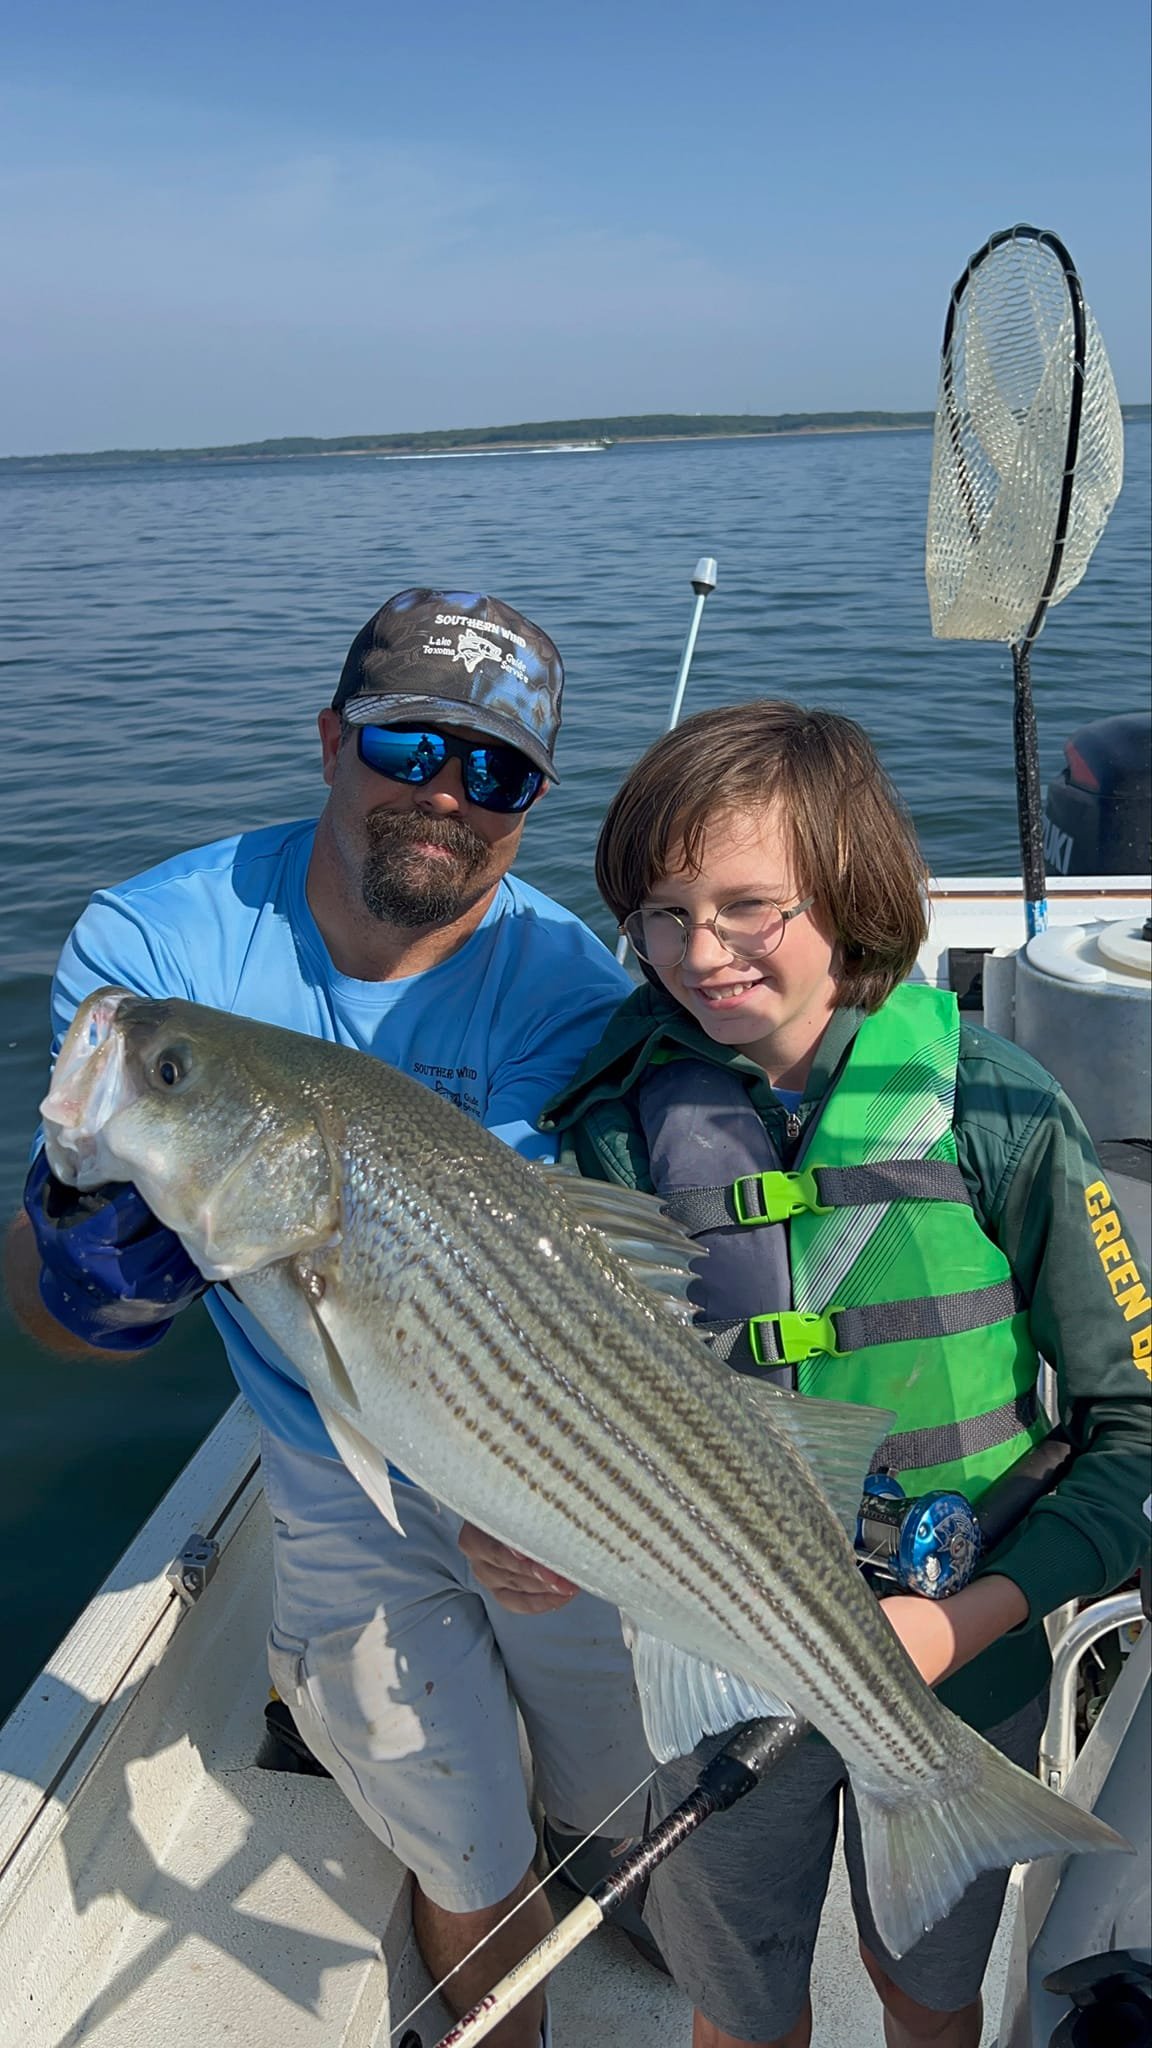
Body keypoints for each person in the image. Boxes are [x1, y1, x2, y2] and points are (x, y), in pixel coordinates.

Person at [5, 588, 656, 2048]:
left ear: (532, 802)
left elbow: (550, 1298)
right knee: (469, 1852)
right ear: (328, 739)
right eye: (408, 745)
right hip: (329, 1461)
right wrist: (83, 1267)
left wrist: (537, 1492)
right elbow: (55, 1326)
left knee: (632, 1815)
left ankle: (604, 1844)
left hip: (539, 1446)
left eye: (493, 771)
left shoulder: (568, 989)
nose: (444, 795)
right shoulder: (154, 957)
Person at [469, 699, 1152, 2048]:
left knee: (928, 1986)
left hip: (964, 1657)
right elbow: (571, 1402)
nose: (700, 953)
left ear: (849, 895)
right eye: (662, 914)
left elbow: (1132, 1429)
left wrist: (965, 1621)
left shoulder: (1003, 1111)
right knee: (737, 1991)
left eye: (747, 908)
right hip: (710, 1647)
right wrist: (517, 1525)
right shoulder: (612, 1132)